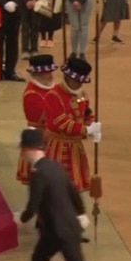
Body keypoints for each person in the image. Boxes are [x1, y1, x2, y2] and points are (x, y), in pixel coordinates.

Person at [13, 127, 117, 261]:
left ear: (28, 150)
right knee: (39, 259)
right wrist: (81, 214)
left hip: (61, 232)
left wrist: (20, 219)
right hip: (56, 230)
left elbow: (32, 207)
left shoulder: (38, 174)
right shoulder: (55, 167)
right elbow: (74, 192)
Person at [44, 57, 101, 193]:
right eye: (77, 81)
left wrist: (92, 124)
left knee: (73, 187)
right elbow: (61, 122)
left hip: (75, 147)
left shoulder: (82, 95)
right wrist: (86, 129)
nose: (79, 84)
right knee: (57, 185)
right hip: (58, 146)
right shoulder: (53, 95)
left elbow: (86, 112)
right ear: (68, 77)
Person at [16, 55, 57, 185]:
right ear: (37, 74)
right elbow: (46, 117)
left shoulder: (52, 89)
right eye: (47, 73)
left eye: (51, 72)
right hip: (40, 138)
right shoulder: (32, 94)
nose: (50, 75)